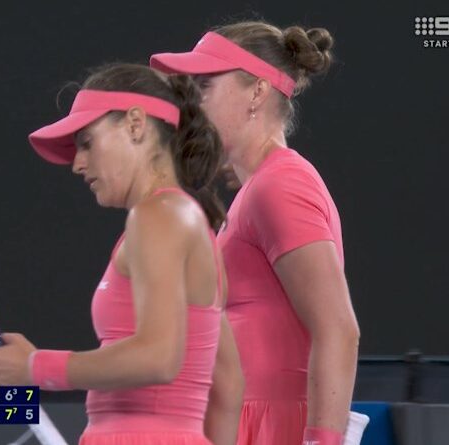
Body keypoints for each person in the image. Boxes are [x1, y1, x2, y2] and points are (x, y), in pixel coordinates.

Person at [0, 63, 244, 445]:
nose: (77, 164)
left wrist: (36, 367)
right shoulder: (185, 220)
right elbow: (228, 384)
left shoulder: (157, 215)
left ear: (135, 124)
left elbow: (159, 357)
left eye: (87, 142)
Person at [150, 21, 360, 445]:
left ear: (258, 92)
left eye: (205, 86)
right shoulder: (263, 186)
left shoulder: (279, 185)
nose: (191, 104)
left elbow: (338, 329)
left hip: (274, 428)